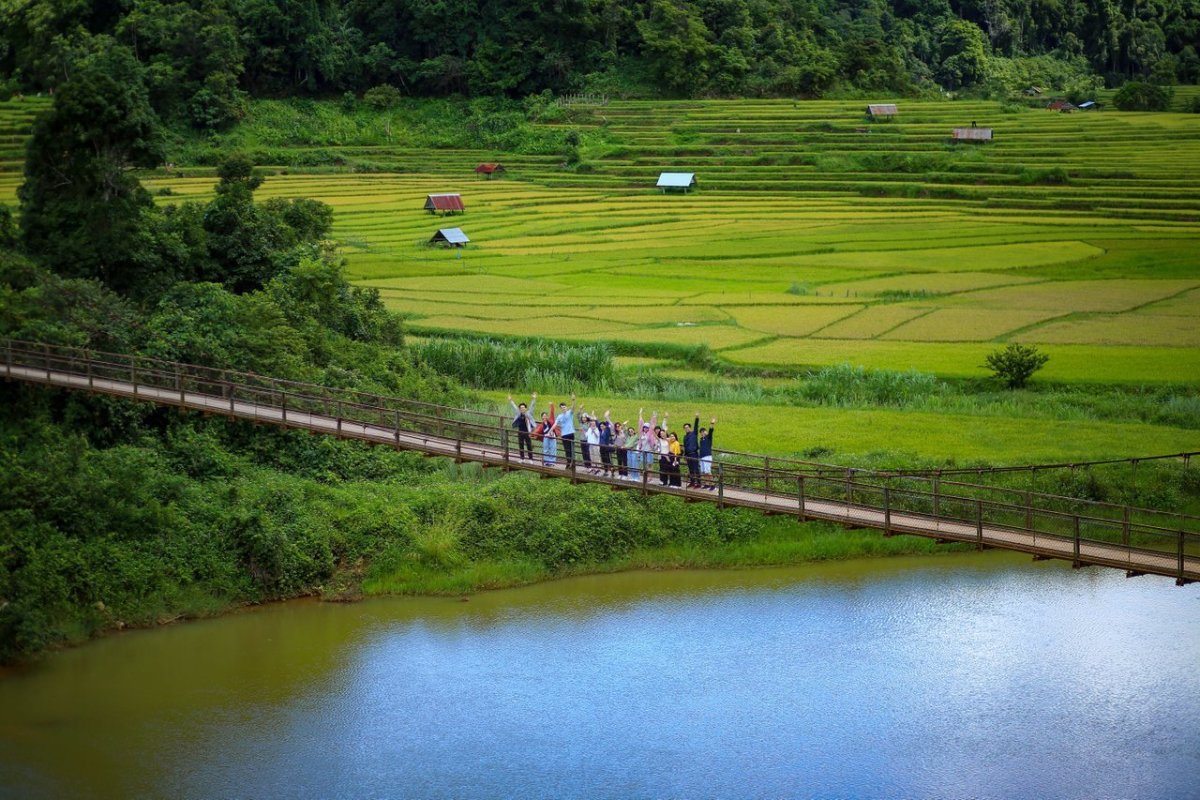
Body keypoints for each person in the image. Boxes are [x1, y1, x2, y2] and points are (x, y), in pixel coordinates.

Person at [508, 392, 537, 460]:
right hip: (520, 432)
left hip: (527, 432)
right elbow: (514, 407)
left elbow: (532, 406)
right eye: (521, 408)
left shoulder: (528, 413)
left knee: (529, 446)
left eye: (523, 408)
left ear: (525, 408)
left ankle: (530, 459)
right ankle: (522, 458)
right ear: (519, 409)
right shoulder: (518, 413)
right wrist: (510, 400)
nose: (522, 409)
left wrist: (534, 399)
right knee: (521, 445)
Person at [556, 394, 577, 466]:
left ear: (566, 407)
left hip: (571, 433)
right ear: (560, 409)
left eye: (564, 407)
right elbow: (555, 424)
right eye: (562, 408)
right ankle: (568, 462)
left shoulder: (569, 413)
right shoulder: (560, 416)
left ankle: (572, 463)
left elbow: (573, 408)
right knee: (567, 449)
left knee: (572, 449)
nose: (563, 408)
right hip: (564, 435)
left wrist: (573, 400)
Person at [683, 413, 702, 488]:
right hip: (688, 454)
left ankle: (699, 483)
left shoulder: (694, 433)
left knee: (696, 468)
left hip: (694, 453)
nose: (686, 428)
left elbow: (696, 426)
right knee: (690, 468)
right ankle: (692, 482)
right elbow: (685, 446)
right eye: (685, 428)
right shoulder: (685, 437)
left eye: (687, 427)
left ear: (690, 428)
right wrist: (685, 455)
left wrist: (697, 418)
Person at [698, 417, 715, 489]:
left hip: (707, 456)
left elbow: (711, 430)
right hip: (702, 456)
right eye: (701, 432)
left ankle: (713, 484)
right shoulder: (701, 439)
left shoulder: (709, 437)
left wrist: (712, 423)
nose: (702, 433)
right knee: (703, 471)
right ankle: (707, 483)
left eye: (703, 431)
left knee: (708, 471)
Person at [598, 410, 615, 476]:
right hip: (601, 447)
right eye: (601, 426)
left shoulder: (607, 430)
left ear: (605, 426)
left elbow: (610, 424)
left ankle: (612, 470)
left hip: (606, 447)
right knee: (603, 459)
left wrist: (606, 417)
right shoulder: (600, 431)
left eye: (603, 426)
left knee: (608, 459)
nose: (601, 427)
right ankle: (606, 471)